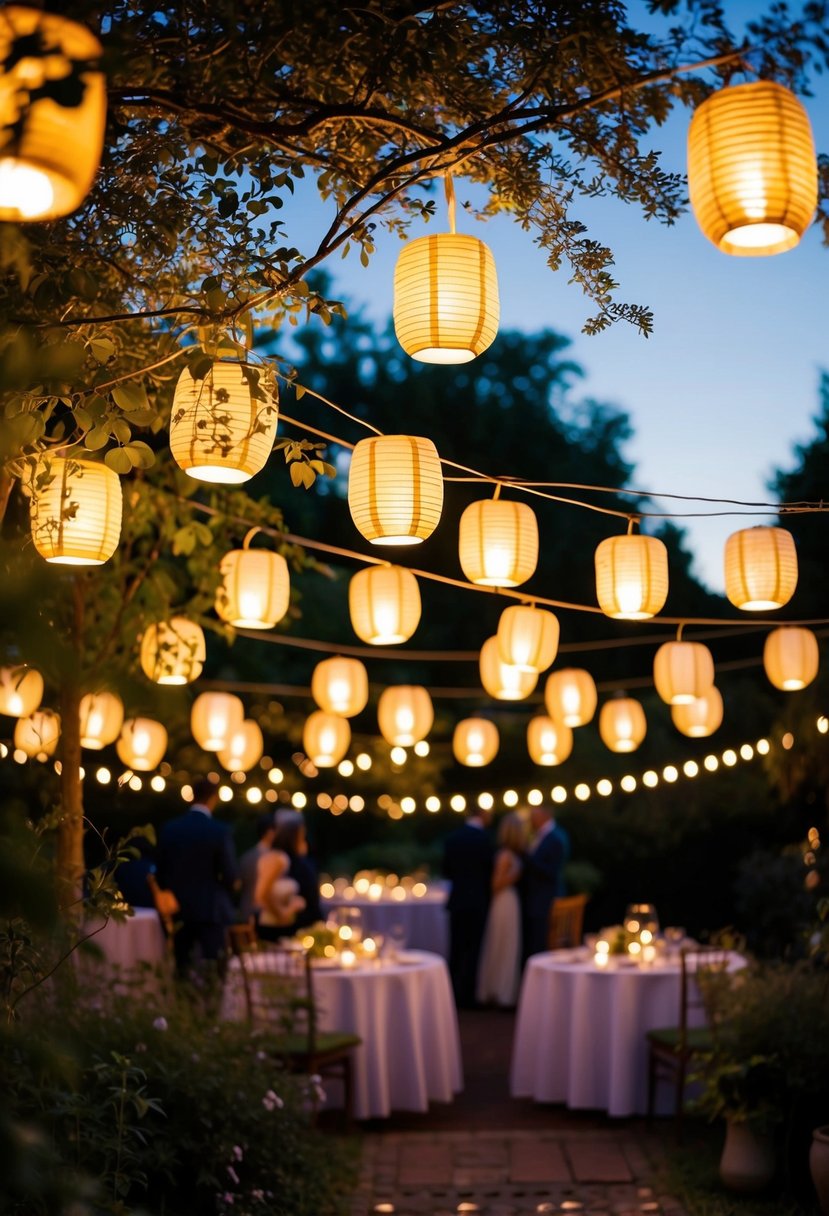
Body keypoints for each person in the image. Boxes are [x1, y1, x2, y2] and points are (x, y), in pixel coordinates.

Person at [156, 777, 239, 976]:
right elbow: (229, 874)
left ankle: (181, 1003)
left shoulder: (171, 829)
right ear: (214, 798)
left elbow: (161, 872)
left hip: (179, 907)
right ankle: (212, 1004)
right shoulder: (219, 831)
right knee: (214, 964)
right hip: (209, 907)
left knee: (181, 964)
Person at [443, 806, 494, 1008]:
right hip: (478, 901)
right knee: (473, 950)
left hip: (457, 900)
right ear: (481, 815)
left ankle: (450, 993)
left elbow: (446, 870)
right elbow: (489, 871)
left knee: (455, 948)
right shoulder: (485, 839)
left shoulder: (453, 838)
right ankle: (468, 997)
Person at [476, 812, 528, 1007]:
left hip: (509, 902)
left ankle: (504, 990)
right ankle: (499, 991)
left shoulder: (512, 854)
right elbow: (495, 885)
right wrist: (515, 875)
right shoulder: (505, 855)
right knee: (502, 944)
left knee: (507, 945)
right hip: (504, 902)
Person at [266, 809, 322, 935]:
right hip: (289, 928)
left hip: (290, 926)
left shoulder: (279, 857)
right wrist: (286, 911)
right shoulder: (283, 860)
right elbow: (263, 894)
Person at [521, 803, 566, 960]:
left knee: (542, 944)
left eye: (534, 815)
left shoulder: (556, 837)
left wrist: (527, 857)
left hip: (546, 899)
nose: (531, 820)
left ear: (544, 815)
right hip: (536, 899)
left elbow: (552, 871)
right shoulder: (540, 835)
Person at [254, 846, 306, 940]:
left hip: (282, 925)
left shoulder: (275, 858)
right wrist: (286, 912)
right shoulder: (277, 859)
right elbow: (261, 895)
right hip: (274, 927)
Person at [238, 811, 276, 922]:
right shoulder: (274, 858)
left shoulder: (247, 856)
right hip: (262, 915)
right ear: (270, 832)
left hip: (246, 910)